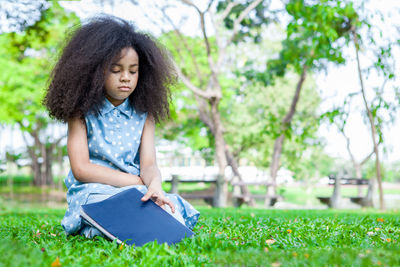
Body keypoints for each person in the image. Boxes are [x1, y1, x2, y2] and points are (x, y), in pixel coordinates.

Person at [44, 16, 200, 238]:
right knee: (105, 208)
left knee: (169, 207)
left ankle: (132, 224)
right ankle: (108, 225)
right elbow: (82, 169)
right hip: (94, 190)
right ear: (95, 71)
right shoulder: (80, 112)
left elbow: (148, 164)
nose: (125, 78)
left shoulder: (145, 113)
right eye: (116, 70)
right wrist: (137, 182)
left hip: (136, 192)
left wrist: (154, 185)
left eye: (133, 71)